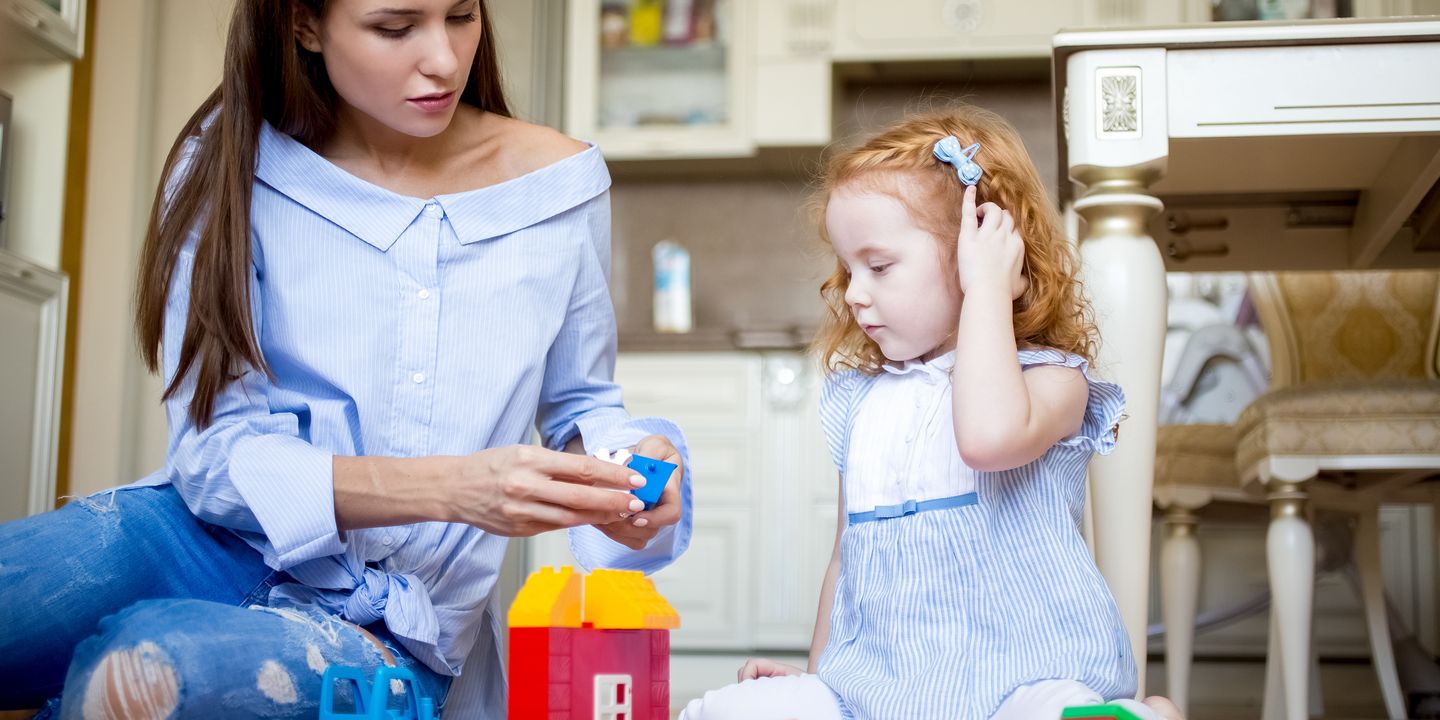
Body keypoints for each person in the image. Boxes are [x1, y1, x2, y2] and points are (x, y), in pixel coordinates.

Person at [0, 0, 691, 717]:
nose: (445, 60)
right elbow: (212, 458)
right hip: (197, 540)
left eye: (462, 16)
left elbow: (581, 405)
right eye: (396, 28)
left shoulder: (560, 183)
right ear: (303, 23)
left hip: (394, 622)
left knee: (148, 671)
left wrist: (624, 468)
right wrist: (450, 487)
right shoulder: (230, 159)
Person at [678, 107, 1184, 720]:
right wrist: (823, 685)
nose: (855, 293)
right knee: (725, 711)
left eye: (880, 266)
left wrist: (988, 291)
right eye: (848, 269)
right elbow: (847, 555)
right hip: (883, 692)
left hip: (1024, 680)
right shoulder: (861, 401)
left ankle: (1148, 712)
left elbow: (988, 438)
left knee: (1055, 713)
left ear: (982, 249)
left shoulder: (1052, 380)